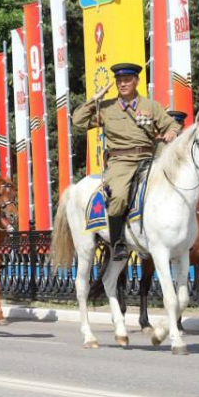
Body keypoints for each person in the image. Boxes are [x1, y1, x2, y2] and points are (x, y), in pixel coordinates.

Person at [71, 62, 178, 260]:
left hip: (147, 159)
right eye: (119, 80)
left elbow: (171, 124)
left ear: (136, 81)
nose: (123, 84)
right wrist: (95, 99)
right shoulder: (107, 108)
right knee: (119, 196)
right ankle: (118, 241)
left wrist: (171, 132)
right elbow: (78, 121)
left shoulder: (150, 106)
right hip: (121, 162)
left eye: (127, 80)